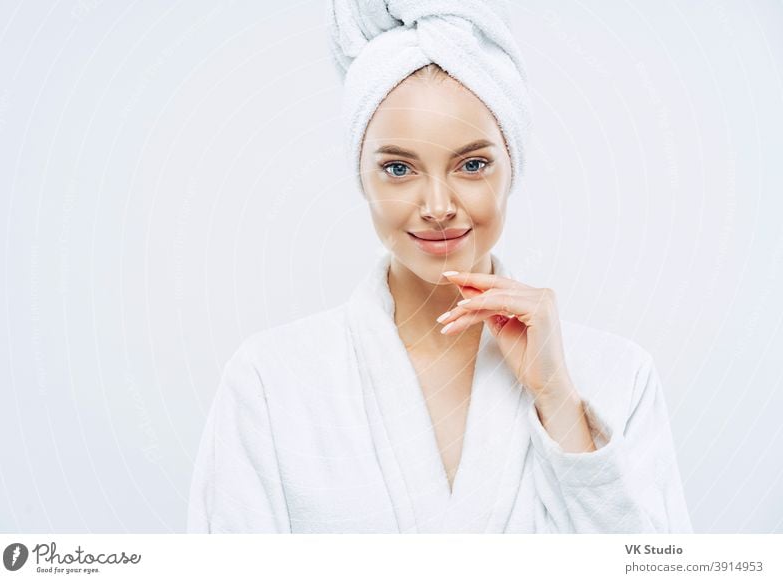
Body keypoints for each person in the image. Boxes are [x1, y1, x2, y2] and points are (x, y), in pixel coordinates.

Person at [186, 0, 693, 534]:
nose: (437, 205)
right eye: (399, 168)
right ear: (363, 177)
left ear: (510, 168)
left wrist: (558, 400)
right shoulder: (272, 381)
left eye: (472, 165)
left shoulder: (618, 376)